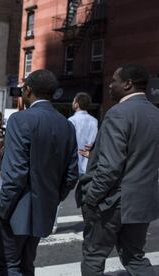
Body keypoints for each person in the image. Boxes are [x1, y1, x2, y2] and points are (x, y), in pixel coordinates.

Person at [0, 69, 78, 275]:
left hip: (14, 210)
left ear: (28, 90)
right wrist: (52, 198)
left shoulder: (20, 120)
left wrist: (2, 210)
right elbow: (71, 175)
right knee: (26, 265)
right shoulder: (66, 125)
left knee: (7, 266)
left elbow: (16, 173)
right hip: (43, 209)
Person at [76, 64, 159, 276]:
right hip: (143, 200)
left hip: (112, 203)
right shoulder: (155, 114)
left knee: (94, 257)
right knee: (135, 257)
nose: (110, 85)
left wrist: (91, 198)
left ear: (128, 84)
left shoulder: (118, 113)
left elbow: (110, 168)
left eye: (114, 80)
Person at [51, 92, 98, 234]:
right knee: (89, 196)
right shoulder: (94, 121)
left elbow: (66, 142)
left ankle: (52, 225)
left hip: (71, 162)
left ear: (76, 103)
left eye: (73, 100)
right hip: (88, 163)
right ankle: (91, 222)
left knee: (58, 194)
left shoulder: (71, 120)